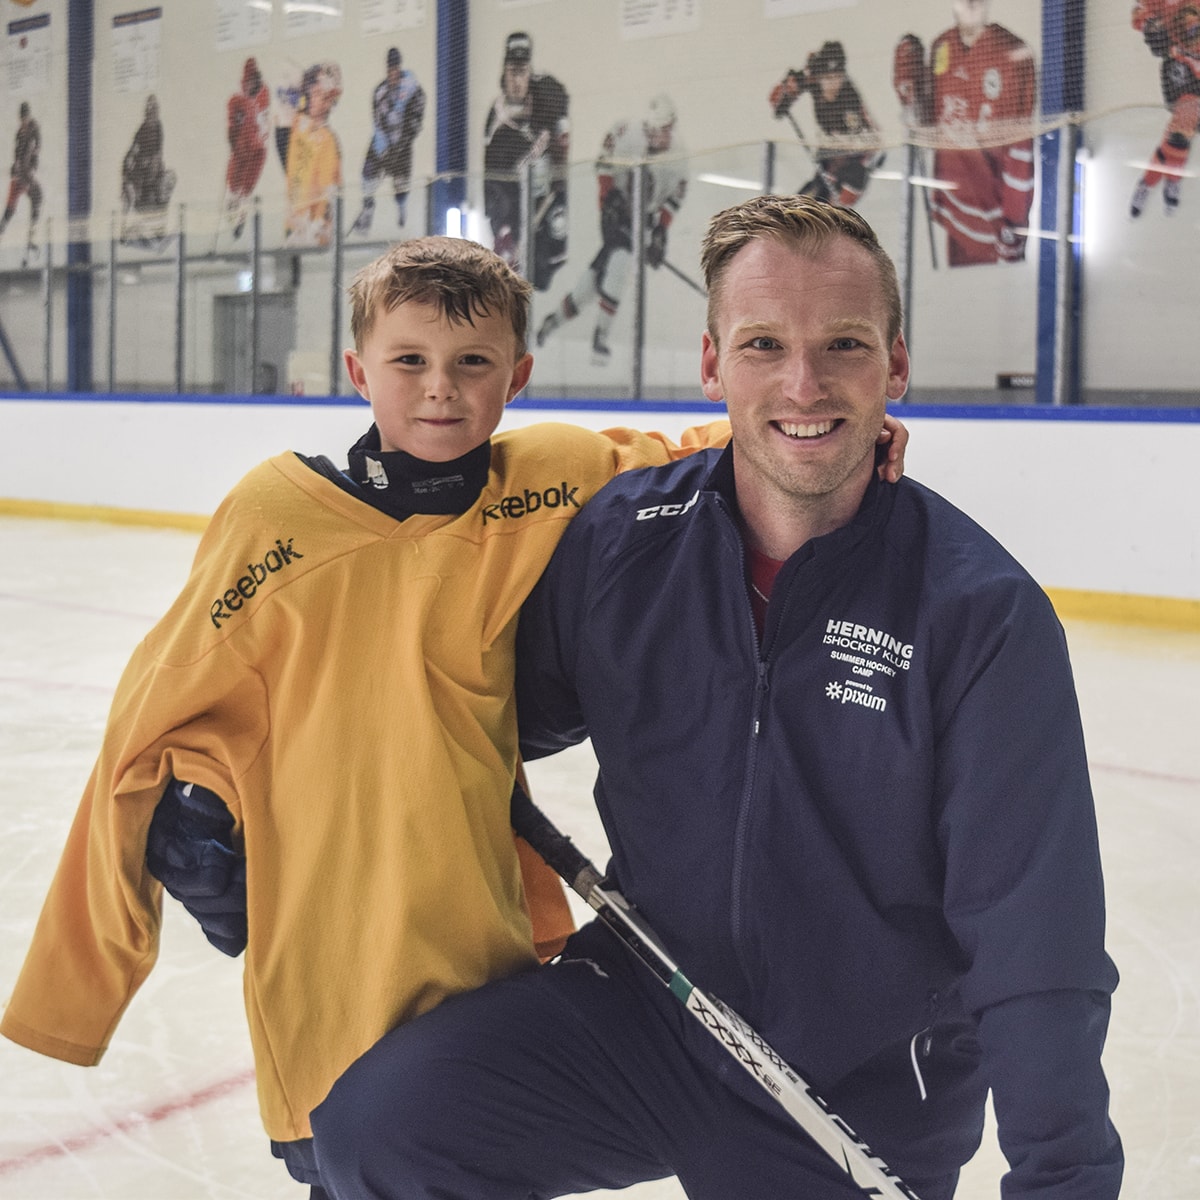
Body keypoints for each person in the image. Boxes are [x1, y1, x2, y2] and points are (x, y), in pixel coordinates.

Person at [2, 237, 907, 1197]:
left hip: (483, 935)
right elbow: (147, 723)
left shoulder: (546, 479)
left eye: (472, 362)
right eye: (410, 361)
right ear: (358, 371)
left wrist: (846, 435)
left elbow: (693, 455)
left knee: (458, 1139)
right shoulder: (275, 517)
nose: (442, 388)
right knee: (352, 1155)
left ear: (515, 376)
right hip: (331, 950)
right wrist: (105, 944)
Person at [309, 196, 1123, 1200]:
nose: (803, 383)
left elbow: (1037, 939)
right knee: (382, 1133)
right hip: (651, 1008)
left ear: (895, 367)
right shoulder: (624, 541)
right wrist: (252, 778)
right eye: (764, 343)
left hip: (857, 1080)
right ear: (712, 364)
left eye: (845, 345)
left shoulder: (976, 614)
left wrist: (1066, 1177)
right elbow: (476, 719)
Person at [536, 93, 687, 363]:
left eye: (663, 130)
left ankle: (553, 321)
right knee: (620, 261)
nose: (657, 136)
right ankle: (601, 336)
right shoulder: (626, 133)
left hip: (644, 221)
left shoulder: (679, 157)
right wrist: (607, 202)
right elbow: (603, 165)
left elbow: (673, 200)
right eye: (653, 129)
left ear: (671, 127)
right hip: (614, 212)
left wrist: (661, 233)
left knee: (591, 286)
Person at [893, 0, 1037, 266]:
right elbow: (927, 122)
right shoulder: (941, 46)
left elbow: (1021, 145)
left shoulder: (1012, 52)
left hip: (993, 219)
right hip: (954, 209)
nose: (970, 3)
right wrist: (910, 96)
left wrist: (1015, 223)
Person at [482, 31, 570, 290]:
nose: (518, 80)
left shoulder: (547, 93)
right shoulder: (497, 126)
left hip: (547, 201)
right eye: (513, 72)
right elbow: (494, 186)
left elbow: (562, 129)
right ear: (504, 73)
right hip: (518, 210)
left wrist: (559, 167)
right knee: (519, 281)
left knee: (546, 274)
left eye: (523, 72)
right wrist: (503, 228)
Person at [769, 40, 884, 207]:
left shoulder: (849, 100)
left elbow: (869, 142)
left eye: (838, 77)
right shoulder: (813, 77)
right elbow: (790, 87)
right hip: (831, 153)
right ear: (820, 76)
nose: (833, 83)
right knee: (807, 198)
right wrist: (785, 95)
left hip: (856, 157)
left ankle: (832, 218)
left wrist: (843, 152)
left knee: (838, 198)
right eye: (828, 78)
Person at [1130, 0, 1200, 217]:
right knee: (1182, 128)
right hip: (1179, 65)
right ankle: (1168, 182)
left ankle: (1148, 183)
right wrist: (1151, 25)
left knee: (1181, 136)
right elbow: (1139, 17)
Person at [348, 46, 425, 236]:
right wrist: (381, 142)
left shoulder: (414, 90)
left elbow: (416, 120)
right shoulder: (379, 91)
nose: (393, 72)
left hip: (402, 146)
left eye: (395, 68)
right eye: (390, 68)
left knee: (401, 182)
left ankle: (402, 210)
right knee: (368, 175)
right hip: (381, 144)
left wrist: (401, 143)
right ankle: (367, 210)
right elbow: (376, 119)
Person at [282, 61, 344, 247]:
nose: (323, 102)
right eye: (317, 94)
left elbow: (330, 190)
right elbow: (285, 88)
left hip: (314, 229)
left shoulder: (328, 140)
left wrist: (318, 224)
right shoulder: (296, 124)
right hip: (294, 223)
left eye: (327, 98)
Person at [224, 56, 270, 240]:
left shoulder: (263, 95)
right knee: (233, 187)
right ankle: (232, 216)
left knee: (245, 190)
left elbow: (263, 127)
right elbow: (231, 127)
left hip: (255, 152)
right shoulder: (235, 101)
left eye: (252, 82)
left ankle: (239, 221)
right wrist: (233, 140)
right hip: (240, 151)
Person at [120, 94, 176, 245]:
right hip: (142, 171)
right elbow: (134, 150)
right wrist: (130, 165)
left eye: (154, 109)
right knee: (131, 191)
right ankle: (124, 230)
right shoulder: (142, 130)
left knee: (166, 185)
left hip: (152, 169)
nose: (152, 112)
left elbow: (158, 152)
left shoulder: (158, 127)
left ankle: (158, 230)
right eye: (150, 109)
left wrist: (153, 164)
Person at [0, 100, 42, 264]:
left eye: (24, 118)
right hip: (19, 174)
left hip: (25, 173)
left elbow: (36, 149)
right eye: (21, 118)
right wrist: (15, 167)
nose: (23, 121)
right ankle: (3, 227)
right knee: (11, 204)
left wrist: (31, 167)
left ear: (28, 116)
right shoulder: (20, 132)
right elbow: (17, 152)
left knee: (36, 197)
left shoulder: (33, 129)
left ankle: (30, 238)